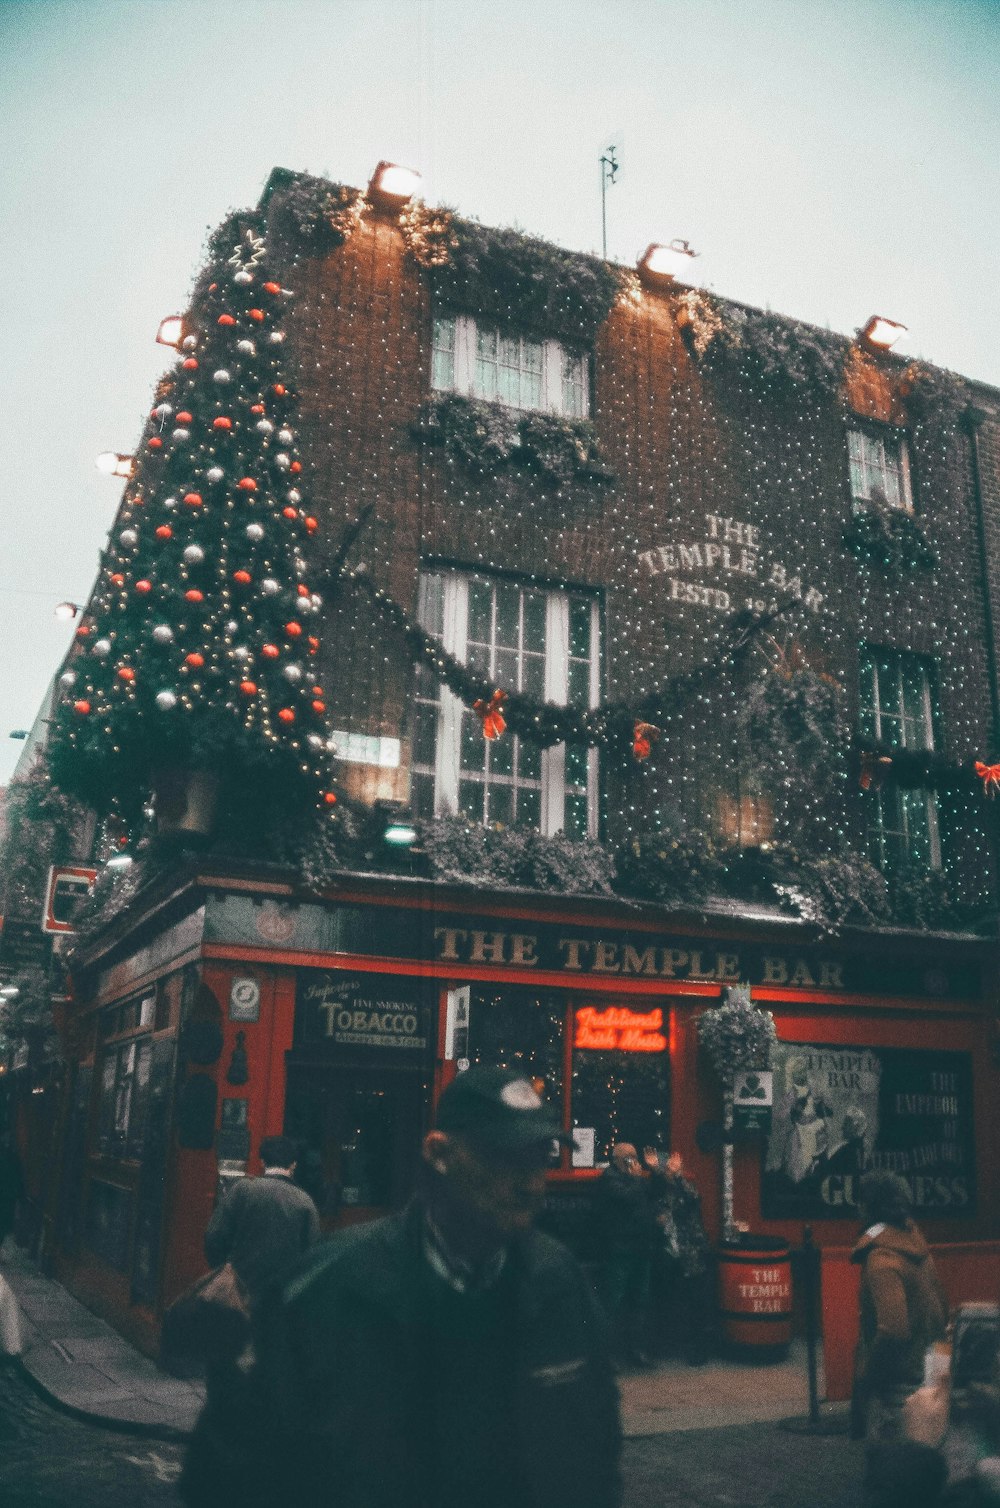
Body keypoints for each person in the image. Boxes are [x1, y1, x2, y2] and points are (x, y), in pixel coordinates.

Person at [182, 1068, 621, 1508]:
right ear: (439, 1153)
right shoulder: (328, 1287)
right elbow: (232, 1474)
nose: (531, 1183)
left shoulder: (558, 1281)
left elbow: (595, 1454)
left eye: (539, 1158)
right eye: (503, 1158)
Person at [851, 1169, 949, 1446]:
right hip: (926, 1366)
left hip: (895, 1381)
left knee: (890, 1460)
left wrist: (868, 1372)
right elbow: (941, 1305)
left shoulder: (882, 1261)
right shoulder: (918, 1248)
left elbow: (893, 1329)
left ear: (866, 1207)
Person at [203, 1134, 320, 1305]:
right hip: (281, 1298)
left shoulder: (241, 1191)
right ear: (294, 1165)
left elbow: (214, 1238)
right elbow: (312, 1256)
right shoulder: (305, 1202)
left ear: (262, 1162)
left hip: (239, 1293)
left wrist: (224, 1271)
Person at [594, 1140, 666, 1369]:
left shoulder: (637, 1178)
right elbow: (625, 1197)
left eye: (635, 1157)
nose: (633, 1162)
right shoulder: (610, 1178)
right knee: (613, 1301)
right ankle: (604, 1354)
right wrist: (637, 1177)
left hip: (642, 1248)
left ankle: (634, 1350)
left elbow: (658, 1190)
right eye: (627, 1158)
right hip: (620, 1249)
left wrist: (654, 1170)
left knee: (639, 1301)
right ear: (616, 1160)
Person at [649, 1150, 713, 1364]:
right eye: (667, 1170)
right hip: (669, 1253)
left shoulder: (685, 1189)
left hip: (690, 1251)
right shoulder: (661, 1193)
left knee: (696, 1302)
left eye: (672, 1169)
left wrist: (677, 1175)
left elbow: (693, 1196)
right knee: (665, 1299)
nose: (669, 1173)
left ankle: (700, 1350)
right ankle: (664, 1346)